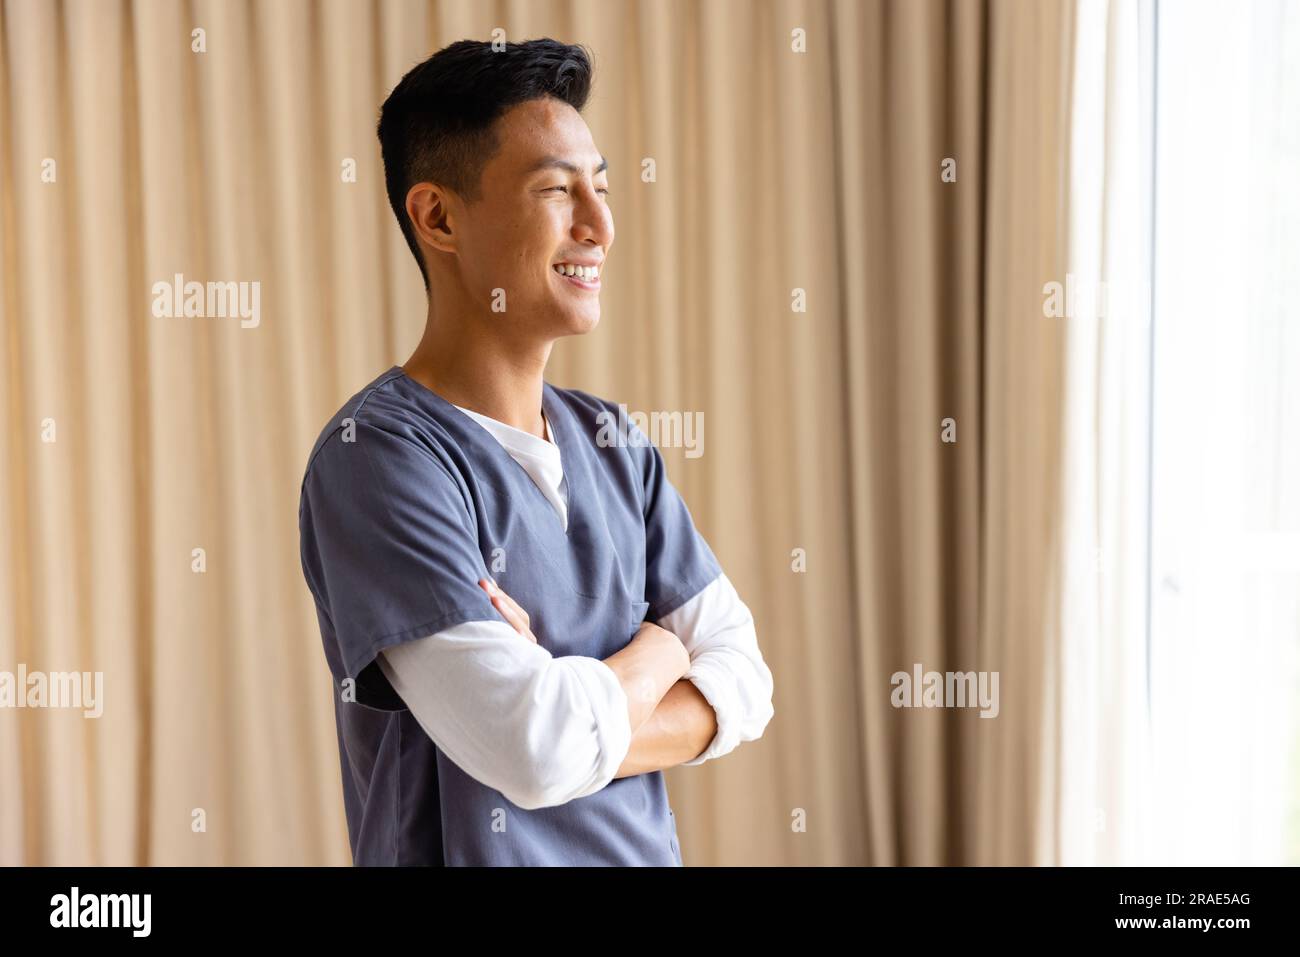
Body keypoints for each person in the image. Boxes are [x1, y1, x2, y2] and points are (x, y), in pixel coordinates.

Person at [297, 37, 774, 866]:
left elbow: (750, 683)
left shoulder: (615, 444)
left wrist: (572, 693)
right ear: (438, 217)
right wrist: (661, 651)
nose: (600, 224)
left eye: (603, 187)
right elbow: (531, 746)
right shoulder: (378, 458)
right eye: (557, 189)